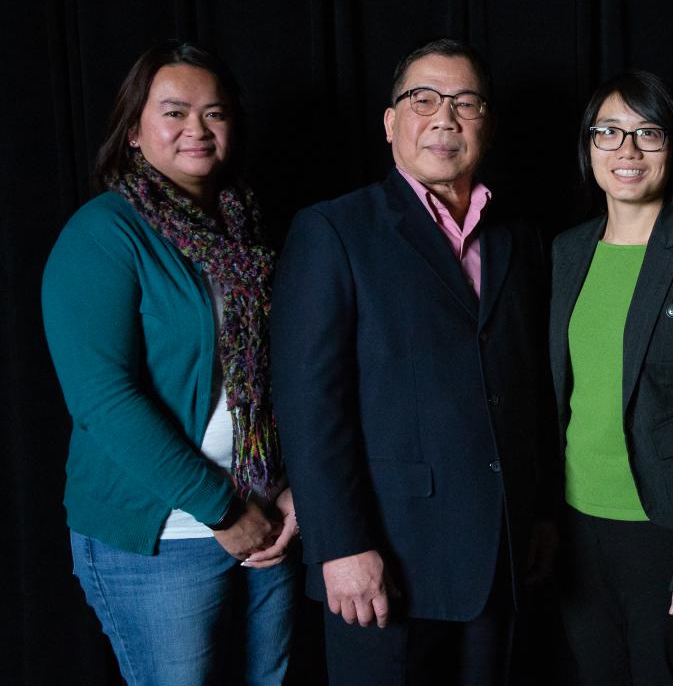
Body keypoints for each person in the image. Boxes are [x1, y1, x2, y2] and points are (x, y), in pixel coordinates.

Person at [270, 38, 558, 685]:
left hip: (499, 556)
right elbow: (310, 406)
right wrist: (339, 545)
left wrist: (538, 513)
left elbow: (529, 386)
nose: (444, 117)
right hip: (386, 562)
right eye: (423, 99)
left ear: (486, 120)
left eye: (464, 102)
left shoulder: (518, 236)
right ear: (391, 121)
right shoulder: (335, 231)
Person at [41, 41, 298, 686]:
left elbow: (286, 373)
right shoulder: (102, 235)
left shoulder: (247, 233)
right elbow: (103, 400)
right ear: (133, 129)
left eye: (214, 113)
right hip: (167, 535)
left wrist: (292, 489)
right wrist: (222, 510)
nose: (196, 129)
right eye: (174, 112)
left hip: (267, 524)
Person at [549, 70, 673, 686]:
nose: (626, 151)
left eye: (647, 133)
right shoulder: (566, 250)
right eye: (608, 132)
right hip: (576, 525)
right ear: (588, 146)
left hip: (664, 526)